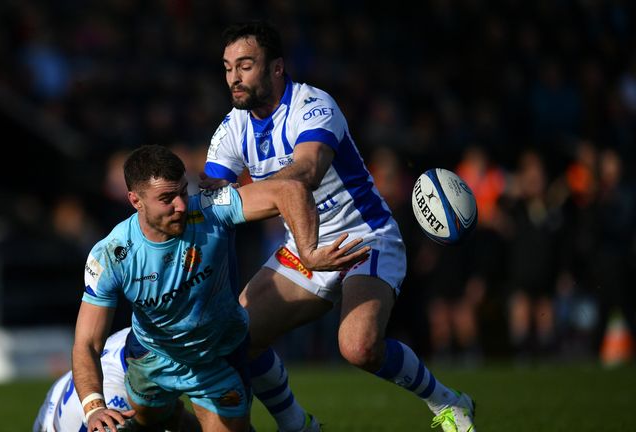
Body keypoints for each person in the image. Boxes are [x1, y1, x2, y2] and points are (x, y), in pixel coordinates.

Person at [203, 21, 477, 432]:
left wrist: (240, 201)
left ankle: (448, 401)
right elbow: (212, 201)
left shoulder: (313, 105)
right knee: (237, 338)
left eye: (245, 65)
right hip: (305, 249)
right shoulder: (232, 129)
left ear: (276, 67)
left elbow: (305, 174)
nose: (233, 78)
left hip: (364, 238)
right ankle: (298, 425)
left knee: (358, 347)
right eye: (227, 68)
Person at [72, 145, 368, 432]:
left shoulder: (212, 208)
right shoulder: (112, 255)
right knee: (154, 421)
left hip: (218, 355)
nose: (180, 206)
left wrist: (309, 252)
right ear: (135, 200)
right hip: (152, 357)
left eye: (182, 191)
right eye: (166, 198)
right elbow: (87, 342)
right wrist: (94, 406)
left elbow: (289, 189)